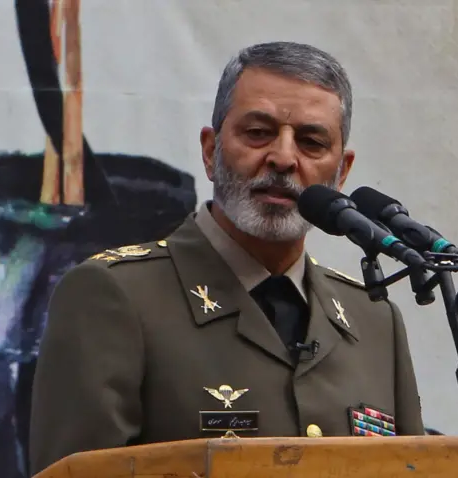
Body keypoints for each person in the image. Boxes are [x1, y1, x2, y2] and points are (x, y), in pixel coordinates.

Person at [29, 41, 425, 475]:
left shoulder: (374, 320)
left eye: (312, 142)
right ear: (209, 151)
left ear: (341, 172)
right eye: (258, 133)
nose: (283, 158)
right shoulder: (115, 296)